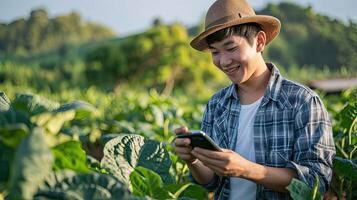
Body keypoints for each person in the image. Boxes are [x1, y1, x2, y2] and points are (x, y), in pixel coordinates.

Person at [173, 0, 336, 199]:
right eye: (215, 52)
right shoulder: (217, 105)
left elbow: (315, 182)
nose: (223, 61)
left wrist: (246, 169)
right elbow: (211, 182)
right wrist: (193, 160)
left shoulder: (302, 101)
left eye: (231, 48)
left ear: (259, 41)